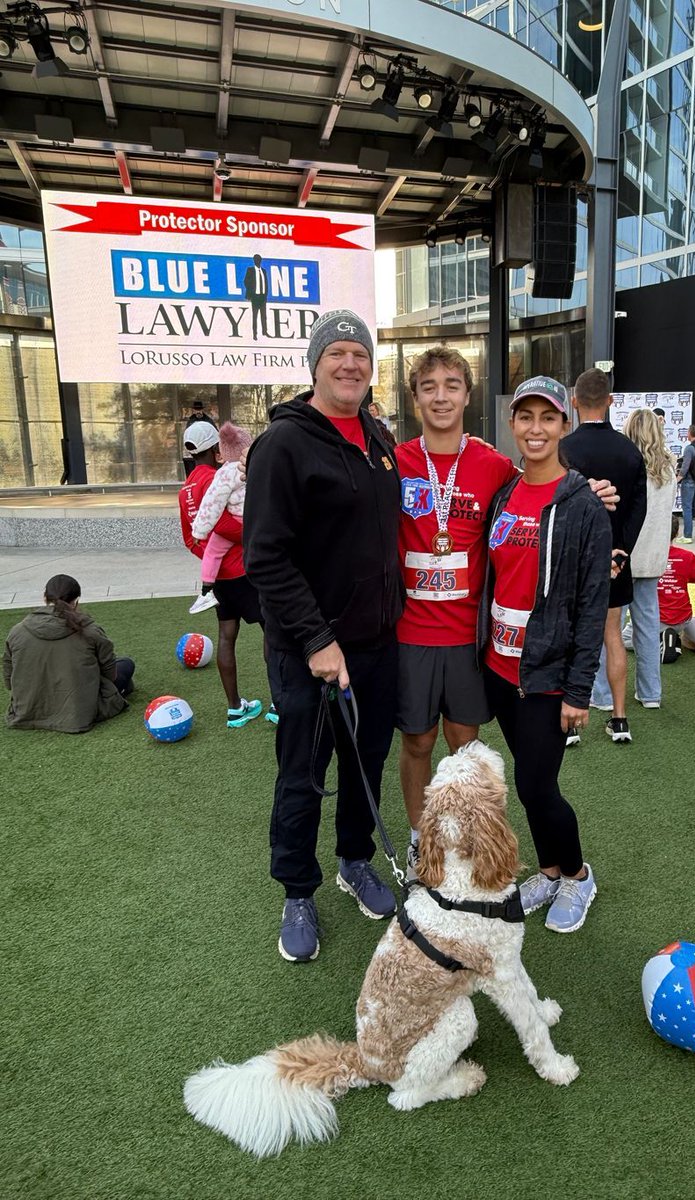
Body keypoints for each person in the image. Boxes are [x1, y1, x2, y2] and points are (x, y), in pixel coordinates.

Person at [243, 309, 403, 964]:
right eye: (337, 352)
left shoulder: (380, 438)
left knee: (366, 763)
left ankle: (354, 861)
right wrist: (315, 639)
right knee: (303, 776)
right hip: (308, 654)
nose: (350, 364)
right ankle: (298, 890)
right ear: (315, 364)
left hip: (375, 645)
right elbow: (266, 557)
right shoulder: (284, 445)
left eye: (360, 354)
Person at [479, 376, 611, 933]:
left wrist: (580, 689)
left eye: (548, 418)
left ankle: (579, 875)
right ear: (513, 424)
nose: (536, 428)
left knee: (537, 784)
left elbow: (590, 604)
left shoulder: (582, 505)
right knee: (528, 779)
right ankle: (551, 869)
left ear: (565, 424)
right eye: (525, 417)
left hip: (549, 675)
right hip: (500, 669)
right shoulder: (505, 494)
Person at [395, 346, 519, 874]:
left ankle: (463, 839)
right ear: (415, 397)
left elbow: (544, 496)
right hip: (409, 634)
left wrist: (595, 492)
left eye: (451, 385)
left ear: (467, 395)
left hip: (469, 636)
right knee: (418, 740)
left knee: (464, 745)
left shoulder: (494, 466)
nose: (440, 395)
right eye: (429, 386)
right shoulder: (393, 462)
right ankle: (421, 839)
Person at [564, 368, 647, 744]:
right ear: (611, 401)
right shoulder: (630, 451)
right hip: (617, 562)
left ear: (575, 401)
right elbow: (637, 511)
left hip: (571, 560)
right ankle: (619, 717)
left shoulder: (563, 449)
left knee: (568, 636)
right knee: (612, 635)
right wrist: (620, 554)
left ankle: (568, 723)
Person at [179, 421, 264, 729]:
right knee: (275, 634)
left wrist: (211, 563)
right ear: (216, 449)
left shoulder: (186, 488)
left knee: (226, 638)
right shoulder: (217, 476)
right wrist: (258, 537)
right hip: (244, 569)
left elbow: (193, 538)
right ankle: (280, 704)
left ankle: (234, 708)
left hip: (219, 579)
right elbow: (226, 523)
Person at [590, 408, 676, 710]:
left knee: (609, 629)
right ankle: (651, 692)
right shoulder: (669, 468)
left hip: (623, 556)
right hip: (652, 558)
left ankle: (601, 694)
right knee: (648, 627)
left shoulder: (623, 465)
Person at [3, 574, 134, 733]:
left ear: (45, 598)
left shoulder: (17, 631)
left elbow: (9, 682)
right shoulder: (90, 631)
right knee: (126, 665)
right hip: (77, 713)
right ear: (76, 601)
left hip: (26, 710)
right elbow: (110, 676)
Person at [189, 421, 253, 614]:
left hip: (237, 522)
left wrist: (199, 531)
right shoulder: (257, 464)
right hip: (257, 518)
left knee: (212, 552)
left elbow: (212, 504)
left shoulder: (223, 474)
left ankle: (206, 591)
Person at [656, 515, 695, 641]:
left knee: (619, 640)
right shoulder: (687, 557)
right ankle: (668, 639)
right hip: (682, 619)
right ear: (677, 533)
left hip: (653, 619)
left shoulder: (646, 557)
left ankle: (662, 640)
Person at [243, 253, 268, 339]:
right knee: (255, 316)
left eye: (259, 260)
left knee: (264, 316)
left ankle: (265, 331)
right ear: (254, 261)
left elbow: (265, 283)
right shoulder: (250, 270)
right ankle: (255, 334)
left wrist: (265, 294)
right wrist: (251, 292)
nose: (258, 261)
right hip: (255, 297)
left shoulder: (264, 271)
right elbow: (246, 281)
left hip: (263, 297)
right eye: (256, 260)